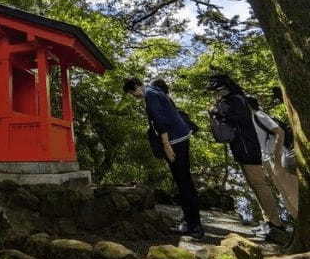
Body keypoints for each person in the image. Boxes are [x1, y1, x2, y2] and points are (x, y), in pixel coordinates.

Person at [207, 74, 287, 243]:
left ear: (223, 88)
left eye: (216, 90)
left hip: (248, 150)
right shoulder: (233, 100)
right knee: (255, 186)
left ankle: (276, 224)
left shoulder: (235, 100)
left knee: (259, 185)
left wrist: (216, 112)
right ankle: (268, 221)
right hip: (242, 149)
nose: (215, 94)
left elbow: (237, 119)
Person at [123, 77, 204, 239]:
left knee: (183, 182)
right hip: (181, 137)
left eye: (133, 93)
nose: (135, 96)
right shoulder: (156, 90)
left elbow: (160, 121)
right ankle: (191, 220)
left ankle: (194, 226)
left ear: (138, 86)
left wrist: (166, 145)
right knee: (185, 181)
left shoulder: (150, 95)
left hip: (174, 141)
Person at [247, 96, 298, 220]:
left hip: (279, 158)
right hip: (269, 161)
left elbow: (280, 132)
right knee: (285, 196)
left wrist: (276, 161)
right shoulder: (250, 121)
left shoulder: (259, 115)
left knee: (293, 194)